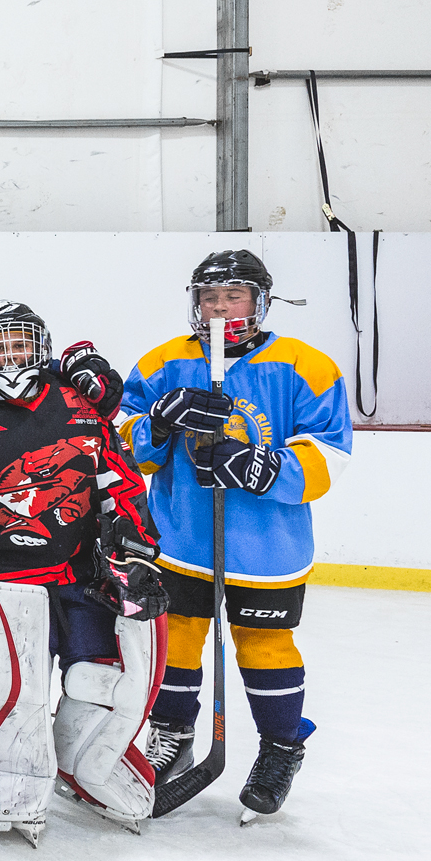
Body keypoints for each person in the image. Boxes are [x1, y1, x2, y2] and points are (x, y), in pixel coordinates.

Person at [0, 301, 167, 841]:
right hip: (1, 583)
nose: (10, 355)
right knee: (10, 694)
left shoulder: (79, 406)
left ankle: (89, 768)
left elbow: (119, 480)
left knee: (101, 681)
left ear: (39, 347)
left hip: (78, 576)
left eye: (19, 343)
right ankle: (9, 789)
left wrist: (132, 549)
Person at [117, 250, 351, 821]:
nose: (220, 308)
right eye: (210, 296)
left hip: (266, 547)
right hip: (180, 538)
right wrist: (158, 423)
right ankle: (173, 736)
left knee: (265, 648)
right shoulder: (164, 363)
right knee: (175, 644)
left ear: (261, 301)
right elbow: (121, 443)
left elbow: (331, 451)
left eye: (235, 296)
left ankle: (279, 749)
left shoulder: (305, 366)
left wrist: (263, 467)